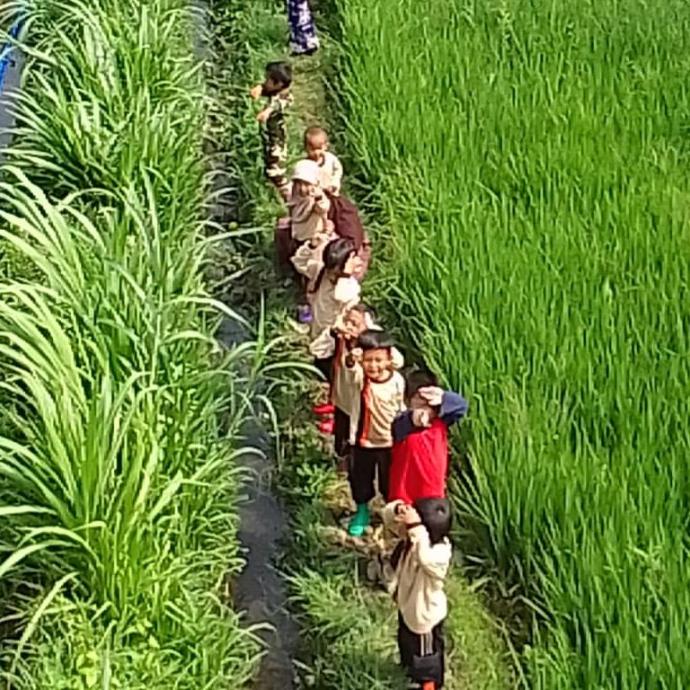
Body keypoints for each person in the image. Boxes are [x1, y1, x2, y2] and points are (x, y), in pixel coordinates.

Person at [383, 498, 452, 690]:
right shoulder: (415, 538)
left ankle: (429, 685)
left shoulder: (439, 554)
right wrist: (399, 509)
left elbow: (425, 558)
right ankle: (408, 674)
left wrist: (416, 527)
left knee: (426, 657)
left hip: (424, 617)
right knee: (407, 645)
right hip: (408, 609)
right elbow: (388, 519)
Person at [346, 329, 405, 536]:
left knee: (389, 481)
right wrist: (353, 359)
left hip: (389, 441)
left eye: (379, 360)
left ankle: (390, 515)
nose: (373, 366)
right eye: (368, 360)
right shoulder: (361, 379)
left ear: (389, 360)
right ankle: (362, 511)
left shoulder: (397, 380)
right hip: (363, 441)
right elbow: (350, 369)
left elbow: (399, 407)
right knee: (360, 477)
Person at [327, 305, 404, 461]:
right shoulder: (341, 338)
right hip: (343, 398)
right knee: (343, 435)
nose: (349, 326)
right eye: (347, 321)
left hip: (363, 402)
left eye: (355, 323)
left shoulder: (373, 344)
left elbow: (397, 361)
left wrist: (369, 340)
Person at [389, 370, 468, 504]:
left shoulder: (441, 420)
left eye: (428, 399)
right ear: (408, 400)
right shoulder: (402, 423)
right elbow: (398, 427)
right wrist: (414, 418)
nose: (424, 403)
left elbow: (462, 407)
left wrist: (443, 397)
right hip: (405, 495)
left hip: (433, 492)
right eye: (419, 398)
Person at [250, 62, 293, 201]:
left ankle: (288, 195)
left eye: (268, 79)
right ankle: (273, 190)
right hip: (269, 136)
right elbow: (266, 90)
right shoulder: (275, 89)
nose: (266, 81)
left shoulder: (286, 96)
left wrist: (266, 112)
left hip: (277, 139)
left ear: (278, 84)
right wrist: (259, 88)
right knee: (268, 161)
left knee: (276, 169)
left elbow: (277, 105)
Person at [288, 159, 331, 244]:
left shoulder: (316, 198)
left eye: (306, 184)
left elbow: (323, 208)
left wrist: (318, 198)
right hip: (297, 237)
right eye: (299, 184)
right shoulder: (295, 197)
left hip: (314, 239)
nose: (302, 188)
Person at [304, 126, 343, 196]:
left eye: (319, 149)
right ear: (306, 148)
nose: (316, 152)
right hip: (316, 195)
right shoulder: (306, 164)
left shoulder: (331, 159)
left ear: (326, 146)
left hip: (331, 191)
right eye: (312, 149)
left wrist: (334, 183)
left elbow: (338, 170)